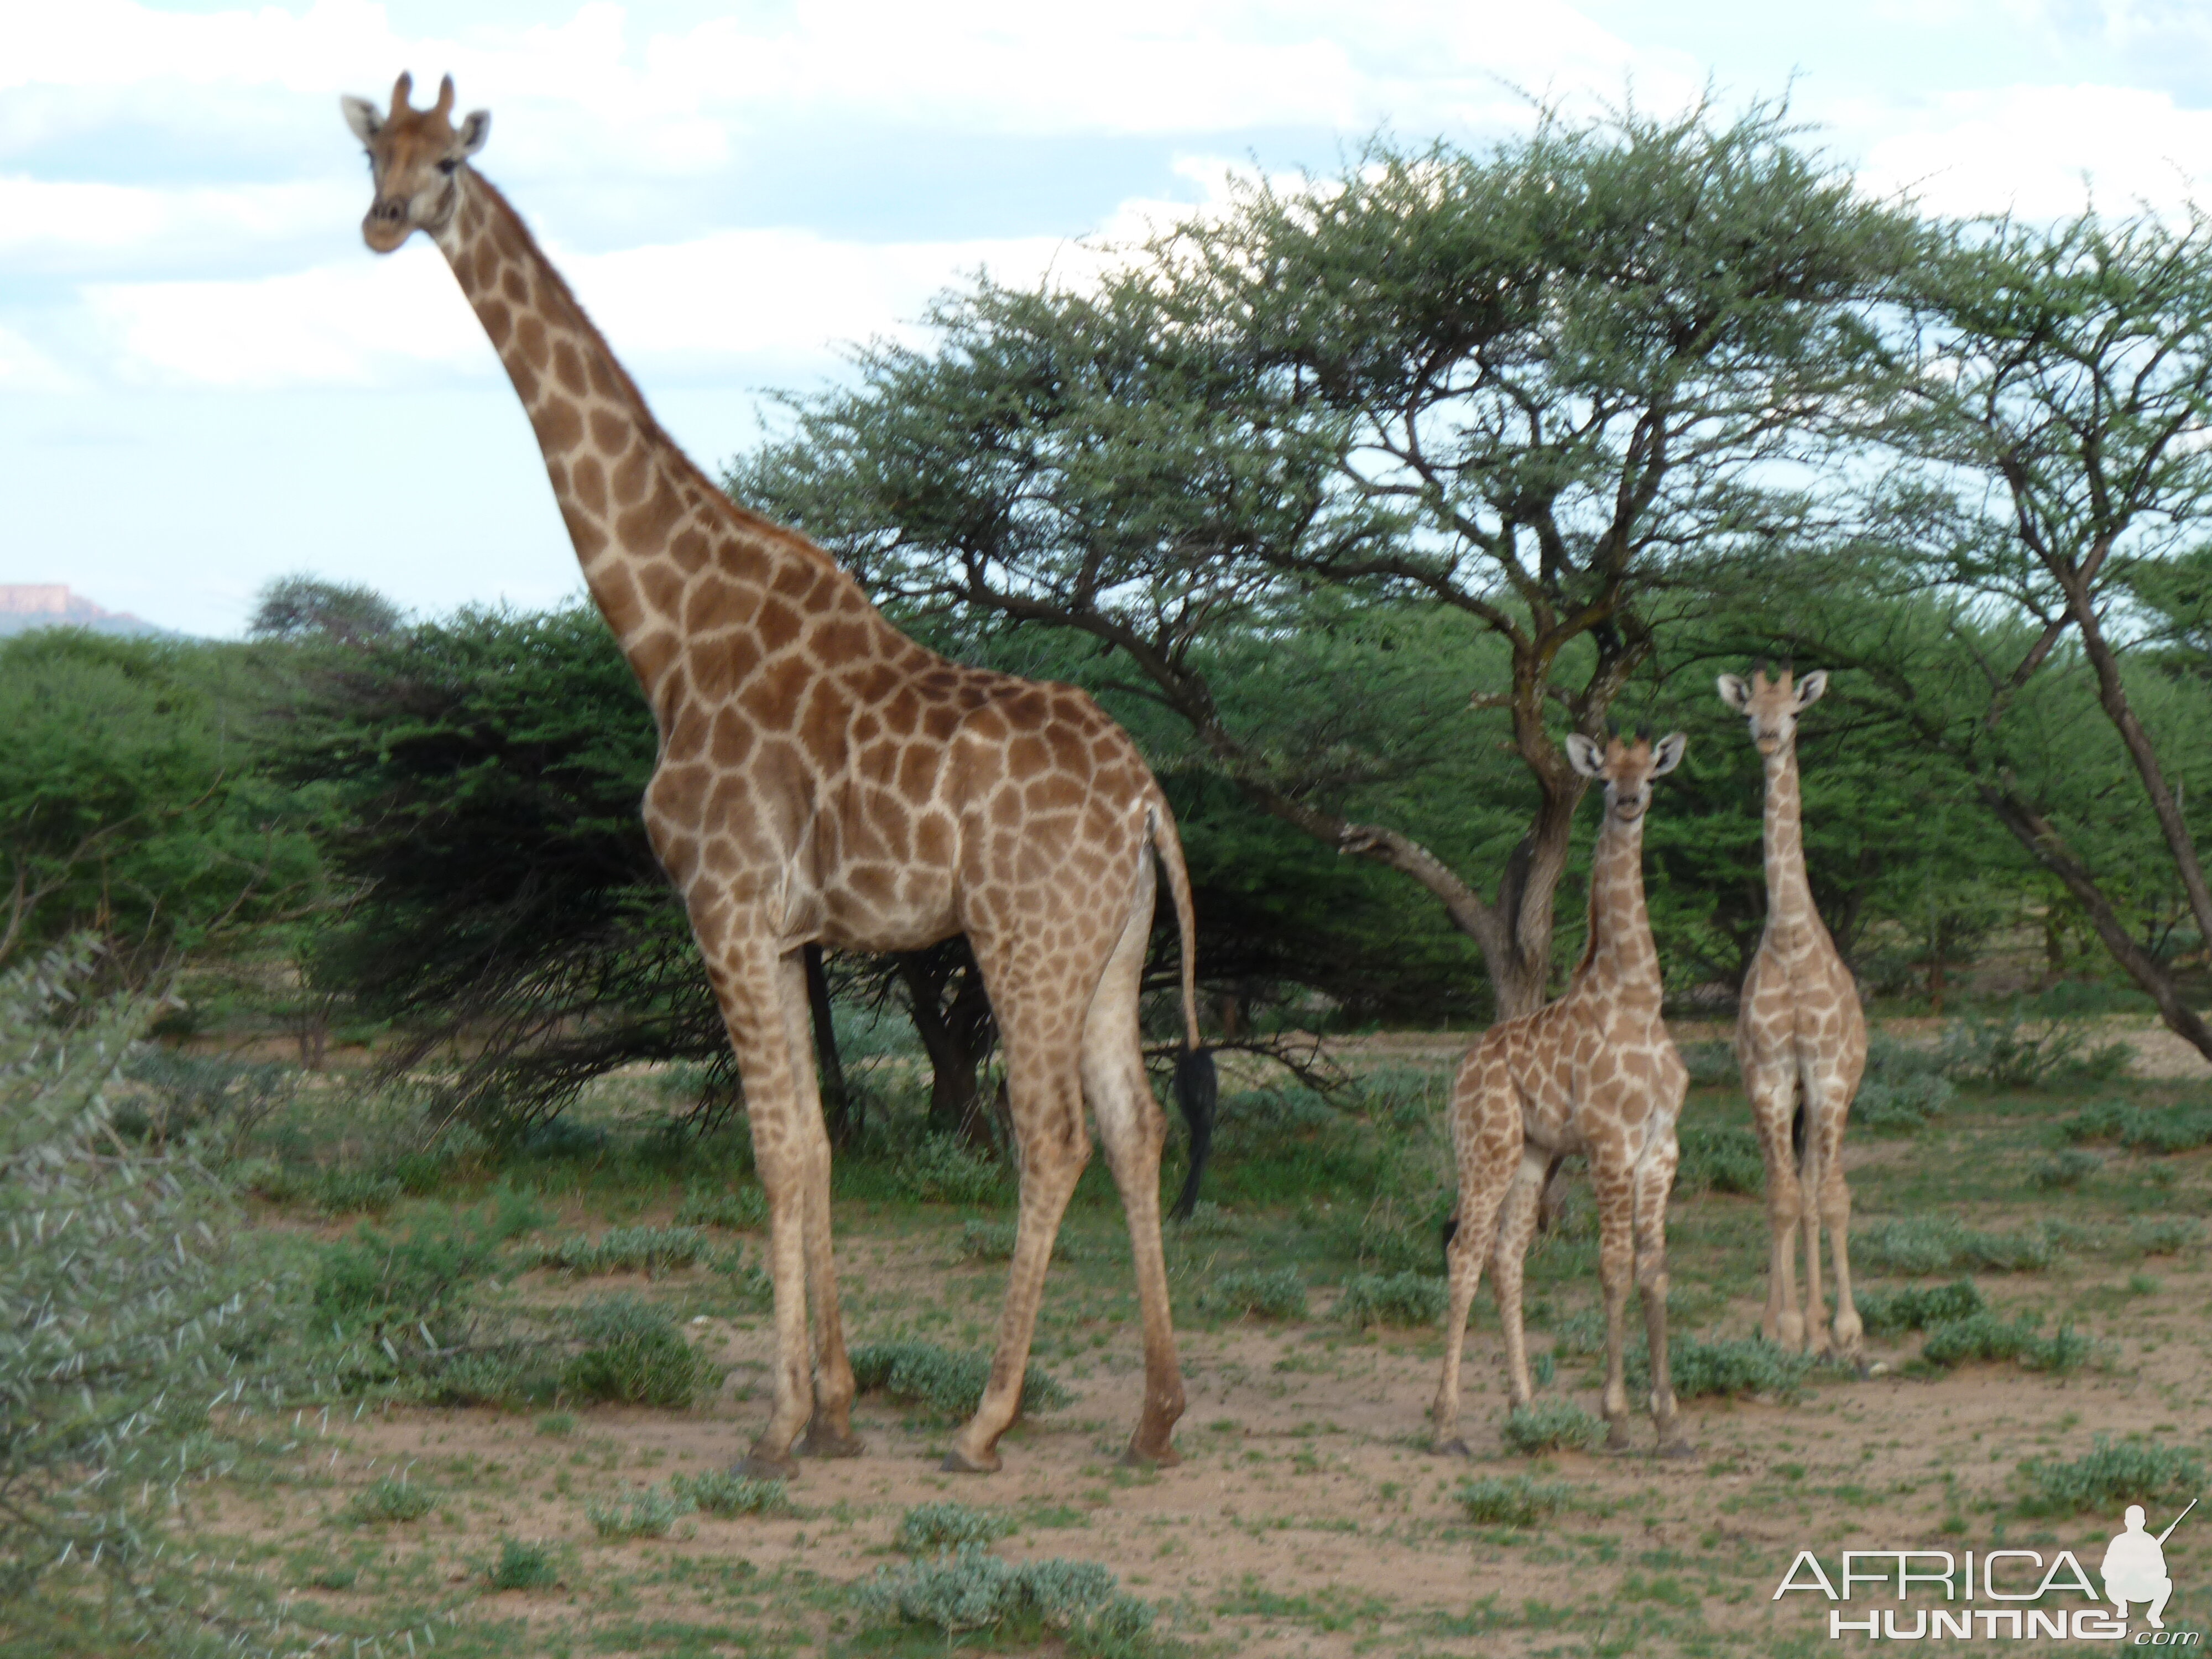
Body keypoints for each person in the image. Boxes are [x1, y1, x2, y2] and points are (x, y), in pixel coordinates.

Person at [2102, 1505, 2173, 1629]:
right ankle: (2122, 1606)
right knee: (2109, 1583)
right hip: (2122, 1588)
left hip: (2145, 1589)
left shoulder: (2151, 1542)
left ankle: (2154, 1615)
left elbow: (2162, 1571)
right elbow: (2106, 1569)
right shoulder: (2118, 1541)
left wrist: (2146, 1573)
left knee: (2167, 1583)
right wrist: (2118, 1575)